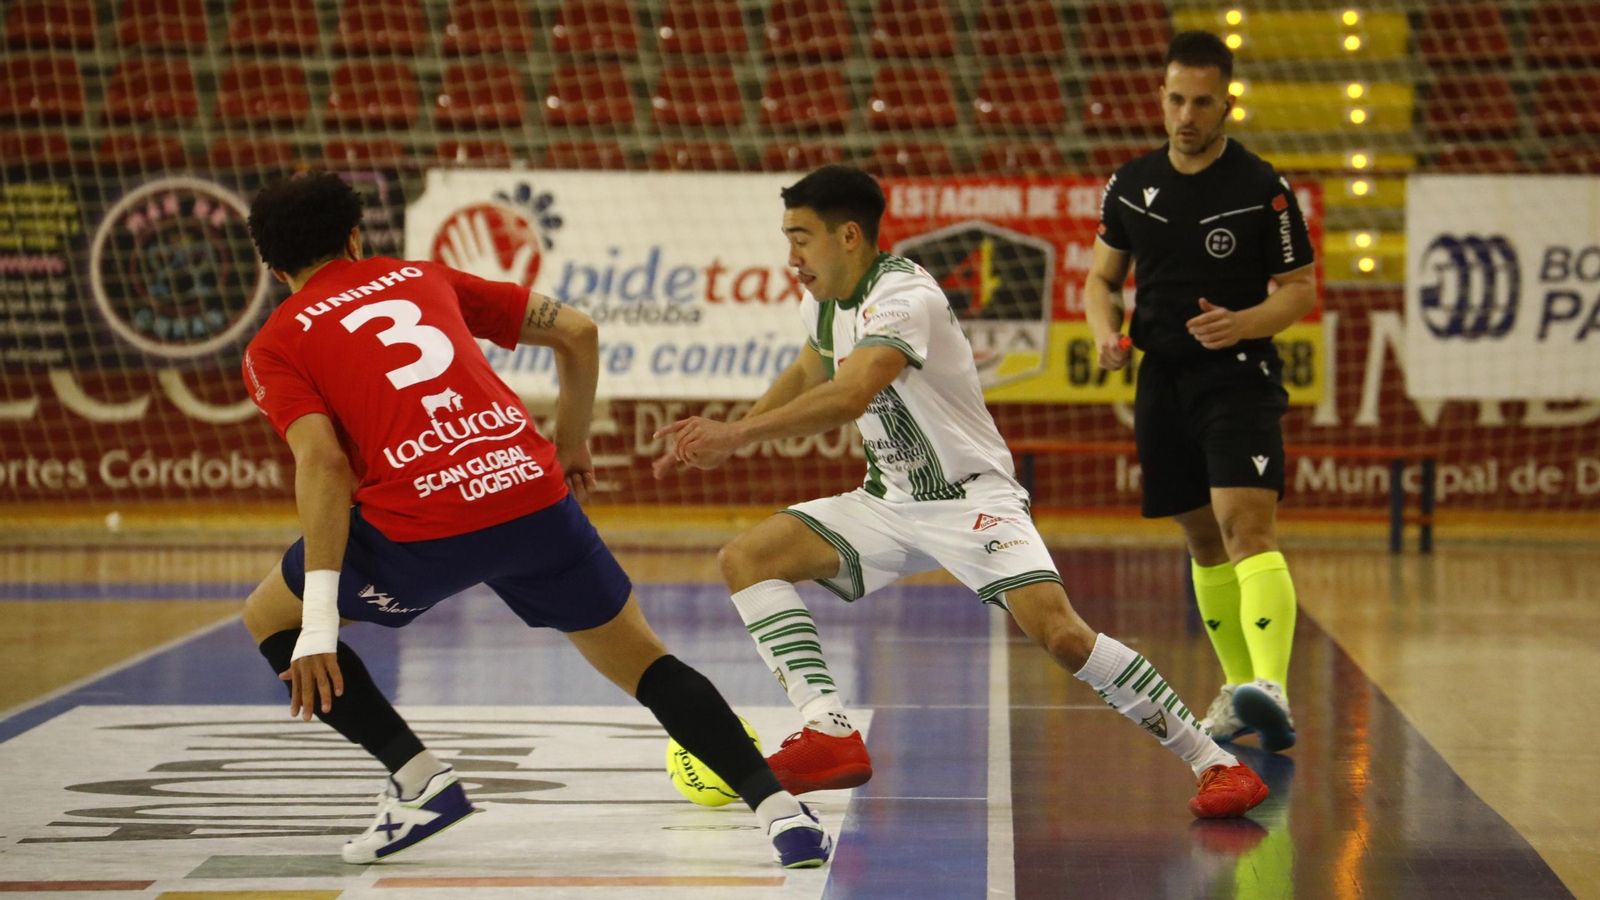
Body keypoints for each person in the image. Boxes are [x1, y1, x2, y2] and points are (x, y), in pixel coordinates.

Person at [238, 171, 831, 868]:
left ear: (276, 270)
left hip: (423, 525)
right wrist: (572, 441)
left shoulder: (275, 342)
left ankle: (419, 779)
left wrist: (319, 623)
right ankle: (782, 814)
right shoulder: (420, 276)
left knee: (267, 619)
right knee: (646, 663)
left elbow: (324, 466)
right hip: (532, 493)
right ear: (355, 236)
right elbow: (578, 331)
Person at [653, 164, 1269, 819]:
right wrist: (735, 428)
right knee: (747, 558)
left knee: (1063, 637)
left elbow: (853, 389)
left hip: (970, 500)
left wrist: (738, 439)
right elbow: (812, 364)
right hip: (888, 501)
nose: (792, 255)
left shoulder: (903, 296)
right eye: (787, 237)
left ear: (851, 237)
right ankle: (829, 730)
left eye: (801, 237)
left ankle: (1218, 763)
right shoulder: (823, 301)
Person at [1082, 31, 1316, 754]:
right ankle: (1243, 692)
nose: (1186, 114)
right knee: (1201, 536)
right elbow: (1100, 279)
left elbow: (1300, 290)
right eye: (1176, 98)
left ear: (1226, 104)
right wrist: (1104, 331)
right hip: (1162, 378)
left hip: (1238, 376)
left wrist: (1244, 322)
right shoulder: (1130, 183)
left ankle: (1272, 685)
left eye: (1202, 102)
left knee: (1247, 524)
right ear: (1162, 96)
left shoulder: (1261, 189)